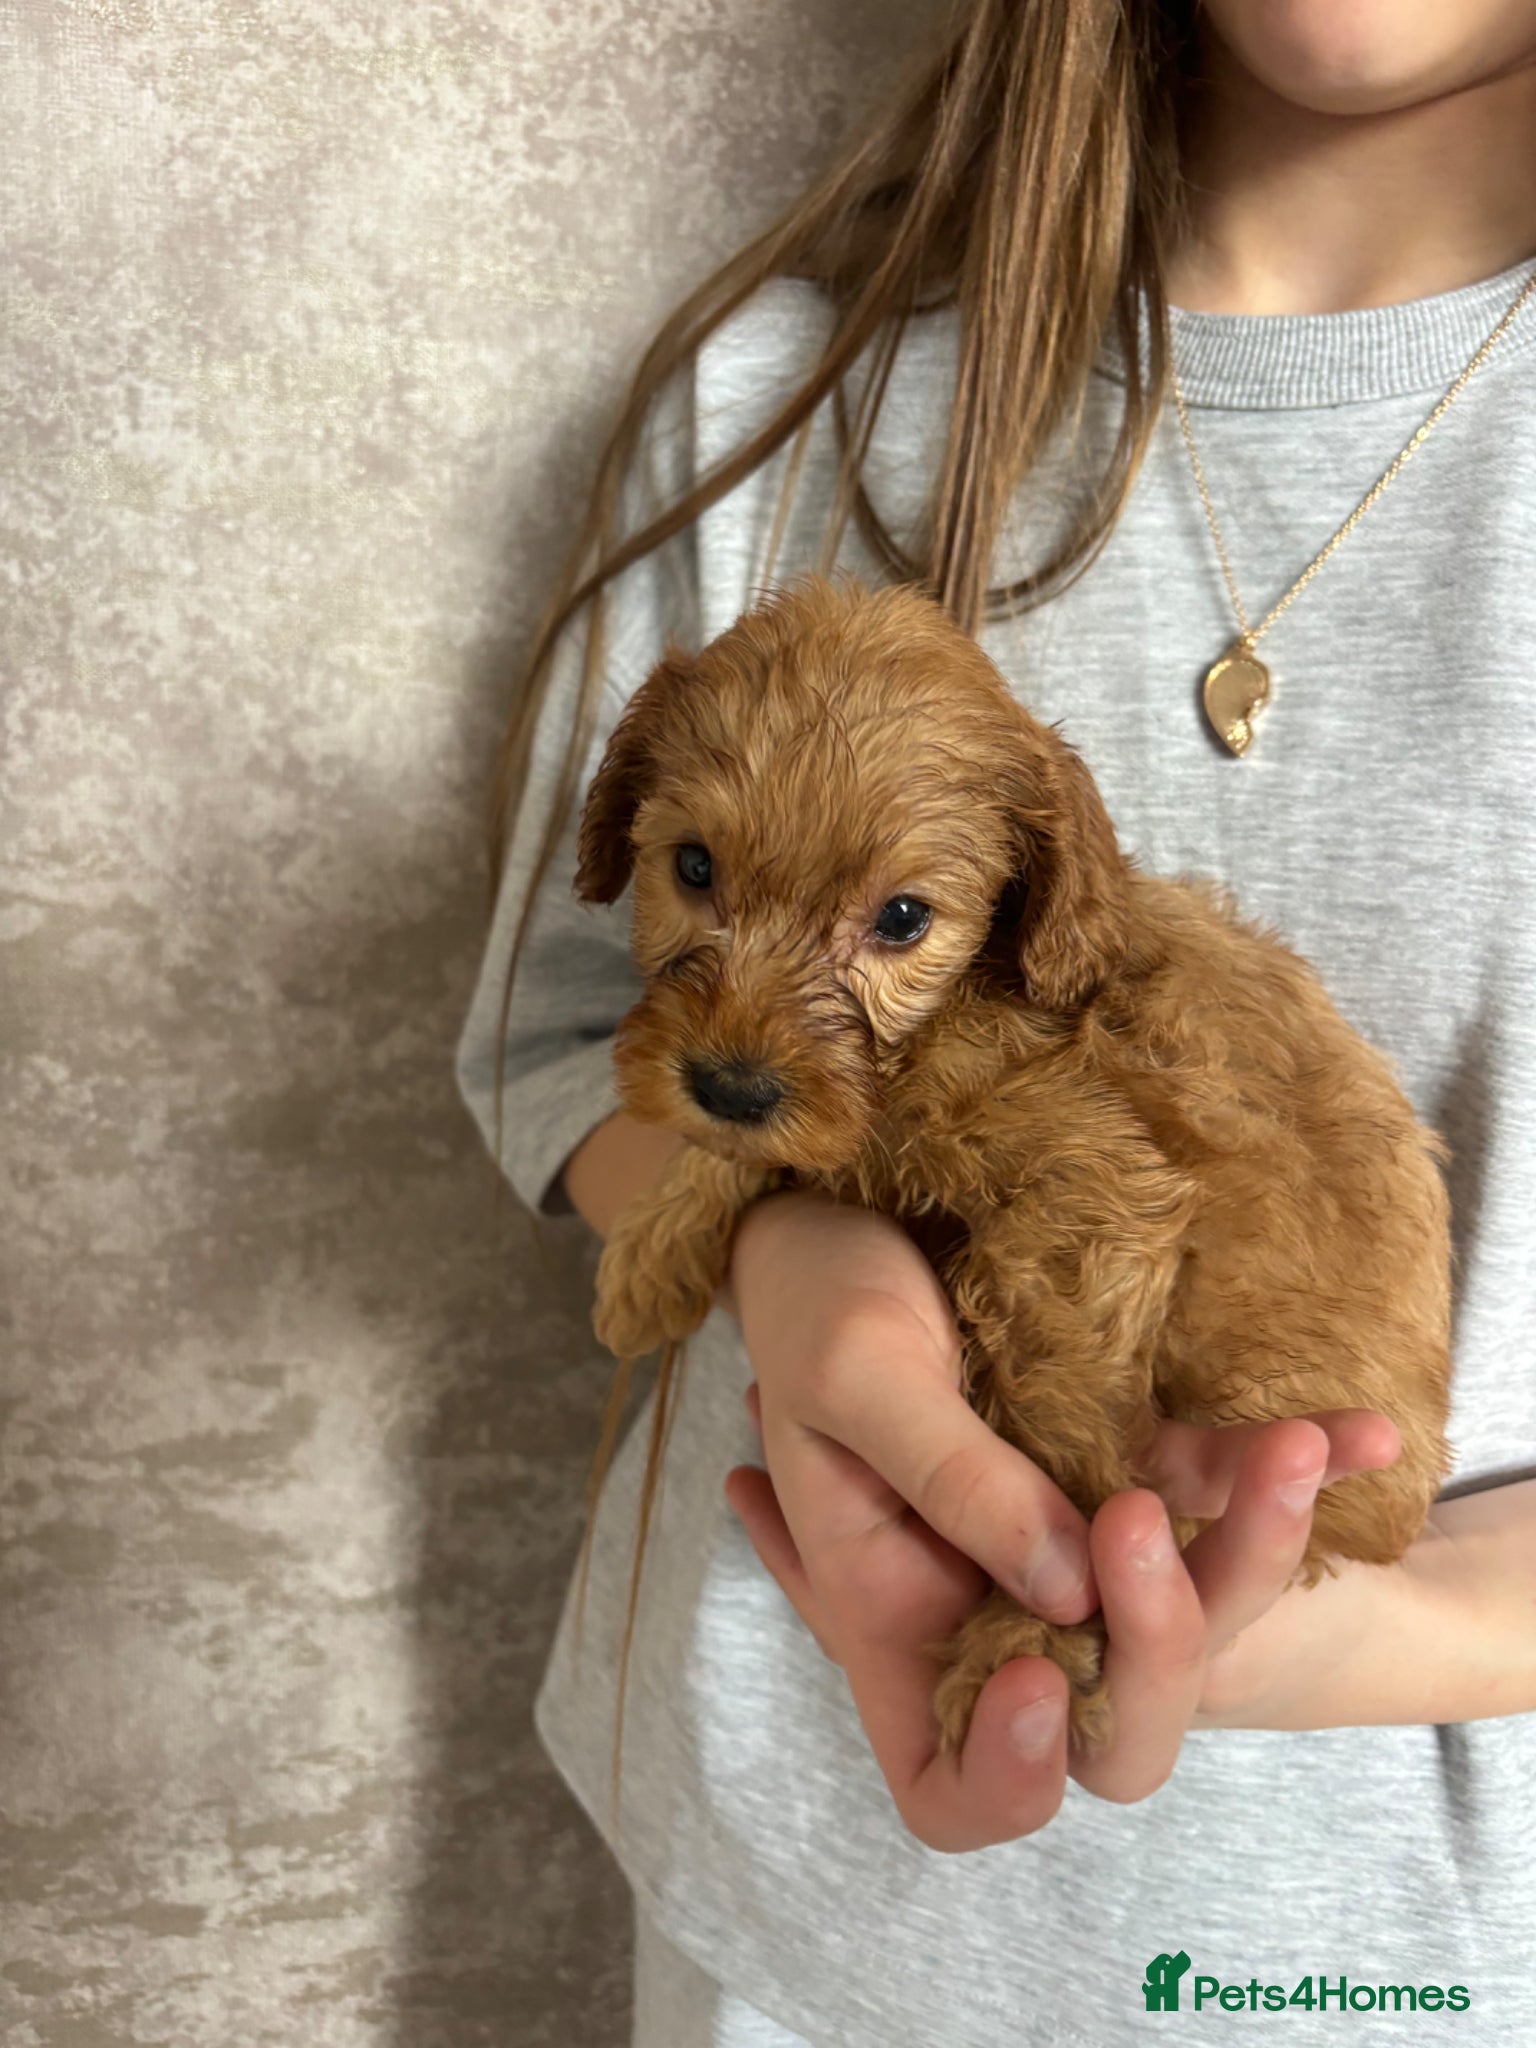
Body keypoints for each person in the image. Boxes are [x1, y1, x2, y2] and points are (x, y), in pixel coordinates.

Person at [454, 2, 1536, 2040]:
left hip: (1425, 1959)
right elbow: (564, 1043)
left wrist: (1343, 1626)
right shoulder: (786, 401)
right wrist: (786, 1237)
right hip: (789, 1899)